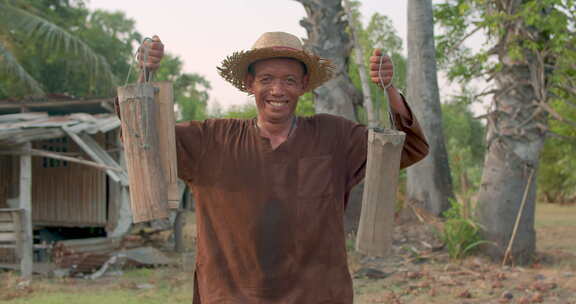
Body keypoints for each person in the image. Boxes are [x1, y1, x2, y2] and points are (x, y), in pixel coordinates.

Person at [136, 32, 428, 304]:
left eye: (289, 80)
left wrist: (389, 90)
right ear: (250, 84)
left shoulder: (334, 137)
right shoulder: (211, 141)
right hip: (229, 295)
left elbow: (410, 146)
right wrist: (145, 74)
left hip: (317, 295)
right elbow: (143, 138)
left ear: (303, 85)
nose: (277, 90)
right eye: (266, 79)